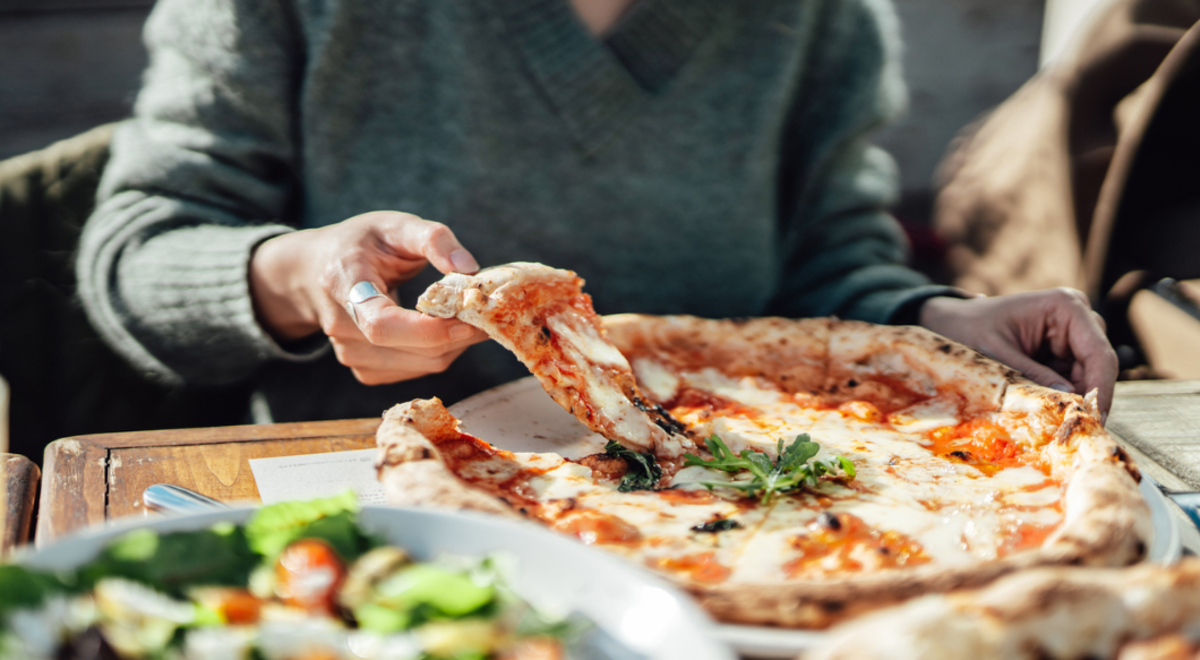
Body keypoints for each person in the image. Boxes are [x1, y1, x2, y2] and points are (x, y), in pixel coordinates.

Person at [76, 0, 1118, 426]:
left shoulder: (817, 17)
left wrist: (932, 320)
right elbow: (136, 252)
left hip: (749, 491)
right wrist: (305, 276)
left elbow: (829, 258)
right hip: (386, 503)